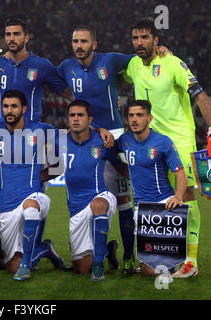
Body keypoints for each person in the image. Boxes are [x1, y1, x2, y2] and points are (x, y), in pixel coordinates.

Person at [57, 26, 173, 274]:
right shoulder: (67, 66)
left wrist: (159, 50)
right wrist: (72, 98)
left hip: (114, 137)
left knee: (122, 200)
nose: (79, 45)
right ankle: (95, 250)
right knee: (85, 195)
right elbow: (52, 80)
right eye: (75, 41)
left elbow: (140, 58)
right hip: (87, 136)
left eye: (84, 41)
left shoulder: (110, 60)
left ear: (94, 44)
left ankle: (129, 256)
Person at [122, 18, 211, 277]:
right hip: (150, 141)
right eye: (135, 38)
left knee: (186, 197)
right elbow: (114, 74)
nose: (139, 42)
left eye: (145, 37)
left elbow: (199, 95)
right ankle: (164, 256)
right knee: (160, 200)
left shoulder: (173, 63)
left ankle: (191, 261)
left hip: (179, 141)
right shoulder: (133, 65)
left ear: (156, 41)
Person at [0, 17, 72, 269]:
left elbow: (65, 91)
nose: (11, 38)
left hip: (35, 137)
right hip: (2, 136)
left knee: (37, 189)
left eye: (16, 34)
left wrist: (86, 111)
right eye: (8, 34)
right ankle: (1, 254)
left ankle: (36, 248)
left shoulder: (41, 65)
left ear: (26, 37)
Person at [0, 89, 66, 281]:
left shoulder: (41, 130)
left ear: (24, 108)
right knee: (12, 266)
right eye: (6, 106)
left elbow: (60, 164)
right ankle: (44, 249)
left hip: (33, 196)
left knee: (31, 207)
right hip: (8, 208)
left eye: (14, 106)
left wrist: (38, 176)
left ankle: (26, 263)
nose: (9, 110)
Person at [116, 100, 187, 276]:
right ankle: (163, 260)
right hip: (141, 208)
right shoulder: (124, 140)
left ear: (149, 118)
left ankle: (170, 259)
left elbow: (180, 173)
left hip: (164, 203)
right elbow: (108, 149)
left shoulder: (162, 142)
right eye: (131, 115)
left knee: (158, 269)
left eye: (139, 115)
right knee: (149, 272)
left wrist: (178, 197)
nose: (134, 119)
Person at [63, 99, 129, 281]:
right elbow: (52, 169)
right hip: (76, 209)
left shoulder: (103, 141)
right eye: (72, 115)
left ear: (90, 119)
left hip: (100, 195)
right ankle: (107, 250)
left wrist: (140, 181)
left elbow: (120, 167)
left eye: (80, 115)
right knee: (81, 268)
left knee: (98, 205)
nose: (76, 119)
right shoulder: (60, 141)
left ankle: (98, 266)